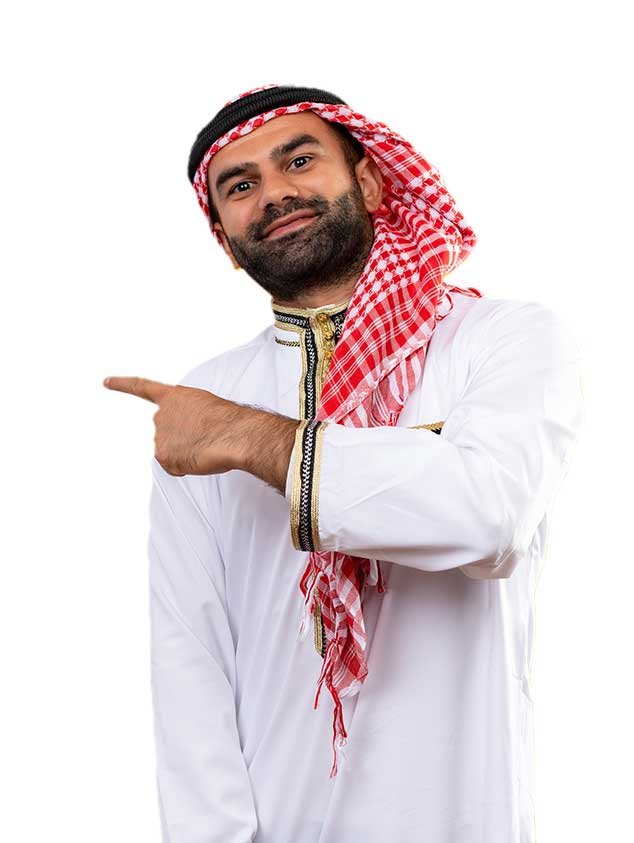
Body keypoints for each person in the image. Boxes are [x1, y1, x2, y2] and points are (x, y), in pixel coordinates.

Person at [103, 84, 584, 842]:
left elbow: (489, 516)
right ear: (225, 241)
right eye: (241, 185)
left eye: (298, 160)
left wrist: (253, 440)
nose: (275, 192)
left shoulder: (501, 340)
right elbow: (190, 660)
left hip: (460, 816)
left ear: (369, 181)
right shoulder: (207, 397)